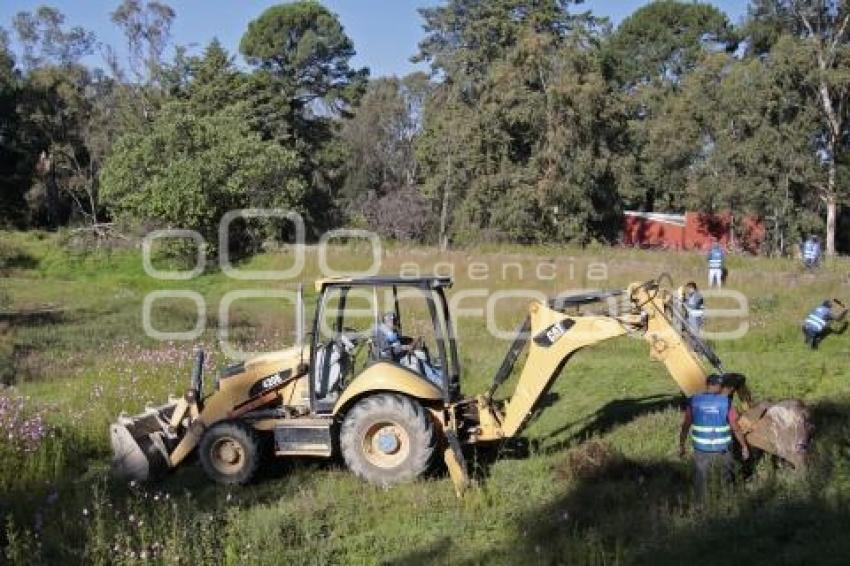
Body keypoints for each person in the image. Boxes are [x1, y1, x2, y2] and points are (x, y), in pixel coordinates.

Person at [679, 374, 749, 503]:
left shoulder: (694, 401)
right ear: (718, 386)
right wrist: (744, 446)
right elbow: (736, 428)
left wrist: (681, 445)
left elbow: (685, 426)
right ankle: (725, 503)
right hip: (723, 450)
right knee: (725, 477)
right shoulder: (726, 403)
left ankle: (700, 505)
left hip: (701, 449)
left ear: (707, 385)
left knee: (701, 478)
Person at [375, 312, 443, 386]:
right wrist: (404, 347)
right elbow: (387, 352)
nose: (395, 323)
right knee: (420, 362)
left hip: (402, 355)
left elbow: (398, 340)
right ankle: (439, 383)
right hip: (394, 361)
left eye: (395, 321)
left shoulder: (391, 331)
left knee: (423, 357)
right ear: (386, 322)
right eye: (392, 321)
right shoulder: (381, 334)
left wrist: (412, 340)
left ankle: (441, 377)